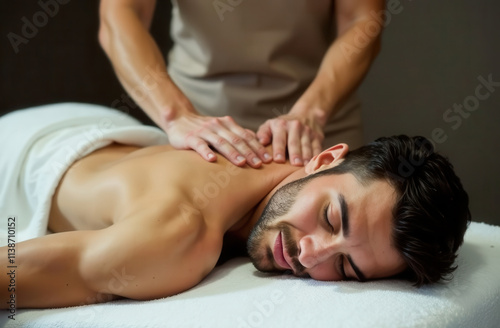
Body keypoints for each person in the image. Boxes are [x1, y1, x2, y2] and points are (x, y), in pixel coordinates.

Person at [0, 104, 470, 309]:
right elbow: (11, 275)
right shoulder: (175, 238)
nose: (310, 254)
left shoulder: (285, 158)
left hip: (101, 130)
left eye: (346, 268)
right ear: (324, 158)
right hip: (17, 160)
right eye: (330, 218)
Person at [98, 0, 385, 168]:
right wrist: (177, 116)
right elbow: (120, 16)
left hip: (316, 128)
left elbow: (362, 20)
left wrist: (312, 113)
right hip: (197, 125)